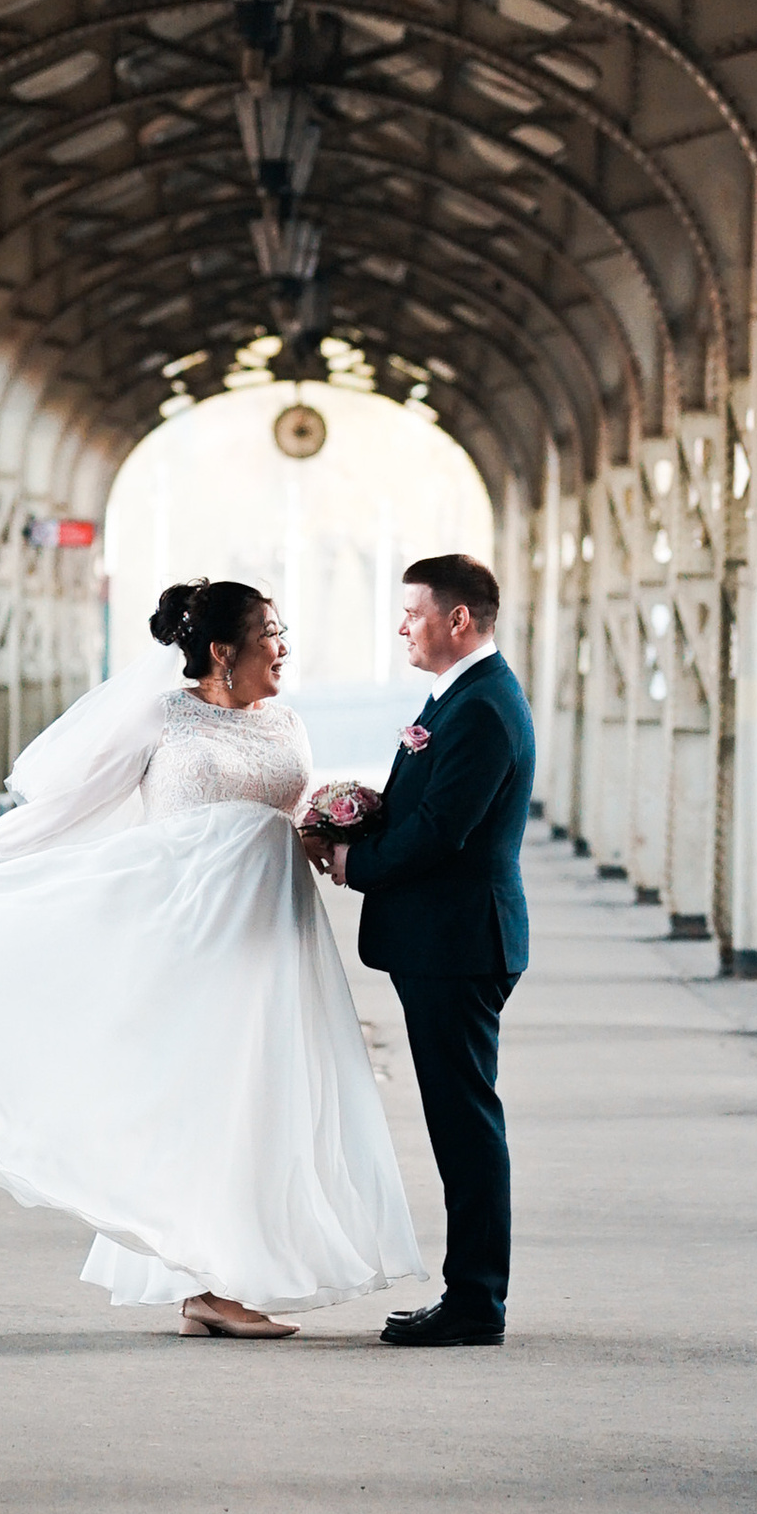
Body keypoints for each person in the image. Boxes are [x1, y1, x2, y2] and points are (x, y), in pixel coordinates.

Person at [0, 581, 425, 1339]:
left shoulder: (289, 724)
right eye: (270, 631)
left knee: (259, 1098)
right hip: (187, 933)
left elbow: (286, 817)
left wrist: (331, 828)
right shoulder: (164, 719)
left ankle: (214, 1284)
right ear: (222, 650)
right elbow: (80, 802)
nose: (283, 645)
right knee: (201, 1099)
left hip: (273, 934)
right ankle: (210, 1283)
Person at [303, 553, 532, 1348]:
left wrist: (351, 860)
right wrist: (367, 812)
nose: (402, 627)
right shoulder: (463, 696)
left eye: (413, 613)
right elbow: (428, 806)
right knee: (458, 1118)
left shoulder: (482, 706)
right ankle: (472, 1293)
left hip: (460, 941)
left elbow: (443, 831)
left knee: (465, 1123)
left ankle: (475, 1302)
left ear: (457, 619)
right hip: (448, 939)